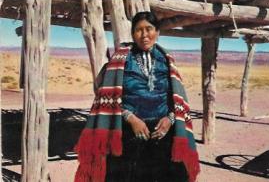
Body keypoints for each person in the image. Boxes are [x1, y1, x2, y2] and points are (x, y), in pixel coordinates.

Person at [74, 11, 200, 182]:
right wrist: (131, 119)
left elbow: (177, 99)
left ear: (157, 32)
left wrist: (170, 119)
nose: (144, 35)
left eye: (149, 29)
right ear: (133, 34)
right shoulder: (120, 60)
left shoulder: (167, 60)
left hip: (162, 134)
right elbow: (107, 97)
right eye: (139, 30)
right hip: (129, 133)